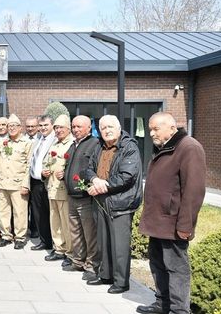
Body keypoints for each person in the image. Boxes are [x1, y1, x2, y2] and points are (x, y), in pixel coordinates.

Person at [137, 112, 206, 314]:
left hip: (173, 223)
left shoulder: (189, 147)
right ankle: (162, 303)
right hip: (157, 221)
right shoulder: (165, 147)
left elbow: (193, 191)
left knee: (176, 269)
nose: (151, 133)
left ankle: (178, 310)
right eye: (149, 129)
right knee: (157, 264)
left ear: (172, 128)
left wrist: (186, 225)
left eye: (156, 128)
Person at [84, 115, 142, 294]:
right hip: (102, 201)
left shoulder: (129, 147)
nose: (107, 130)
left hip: (121, 202)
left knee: (119, 244)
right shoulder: (99, 147)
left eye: (110, 127)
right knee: (103, 240)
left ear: (118, 128)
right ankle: (106, 275)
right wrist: (93, 179)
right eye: (103, 128)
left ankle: (121, 282)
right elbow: (88, 168)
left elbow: (127, 176)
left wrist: (102, 185)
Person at [62, 116, 99, 280]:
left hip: (85, 197)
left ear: (89, 128)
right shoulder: (72, 145)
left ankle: (91, 265)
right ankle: (78, 261)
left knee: (89, 233)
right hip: (71, 195)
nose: (75, 129)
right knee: (75, 231)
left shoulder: (94, 144)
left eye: (79, 127)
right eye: (74, 126)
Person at [0, 115, 32, 249]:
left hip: (18, 184)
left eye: (15, 126)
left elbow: (29, 165)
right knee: (3, 212)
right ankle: (6, 235)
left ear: (20, 128)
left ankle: (20, 237)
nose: (12, 128)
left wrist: (26, 184)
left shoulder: (27, 143)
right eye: (9, 126)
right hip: (3, 183)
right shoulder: (2, 143)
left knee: (20, 212)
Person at [43, 115, 74, 263]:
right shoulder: (54, 144)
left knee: (66, 224)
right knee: (55, 223)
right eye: (56, 128)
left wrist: (66, 173)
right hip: (52, 188)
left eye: (61, 127)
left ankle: (70, 252)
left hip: (64, 190)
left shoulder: (72, 144)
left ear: (68, 128)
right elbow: (46, 162)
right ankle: (59, 249)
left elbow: (75, 167)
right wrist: (44, 171)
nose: (58, 130)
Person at [28, 115, 56, 251]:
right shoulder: (38, 139)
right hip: (35, 182)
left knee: (51, 213)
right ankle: (44, 241)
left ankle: (55, 243)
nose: (43, 128)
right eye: (41, 125)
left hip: (47, 182)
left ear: (52, 125)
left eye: (46, 125)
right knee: (39, 214)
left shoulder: (55, 140)